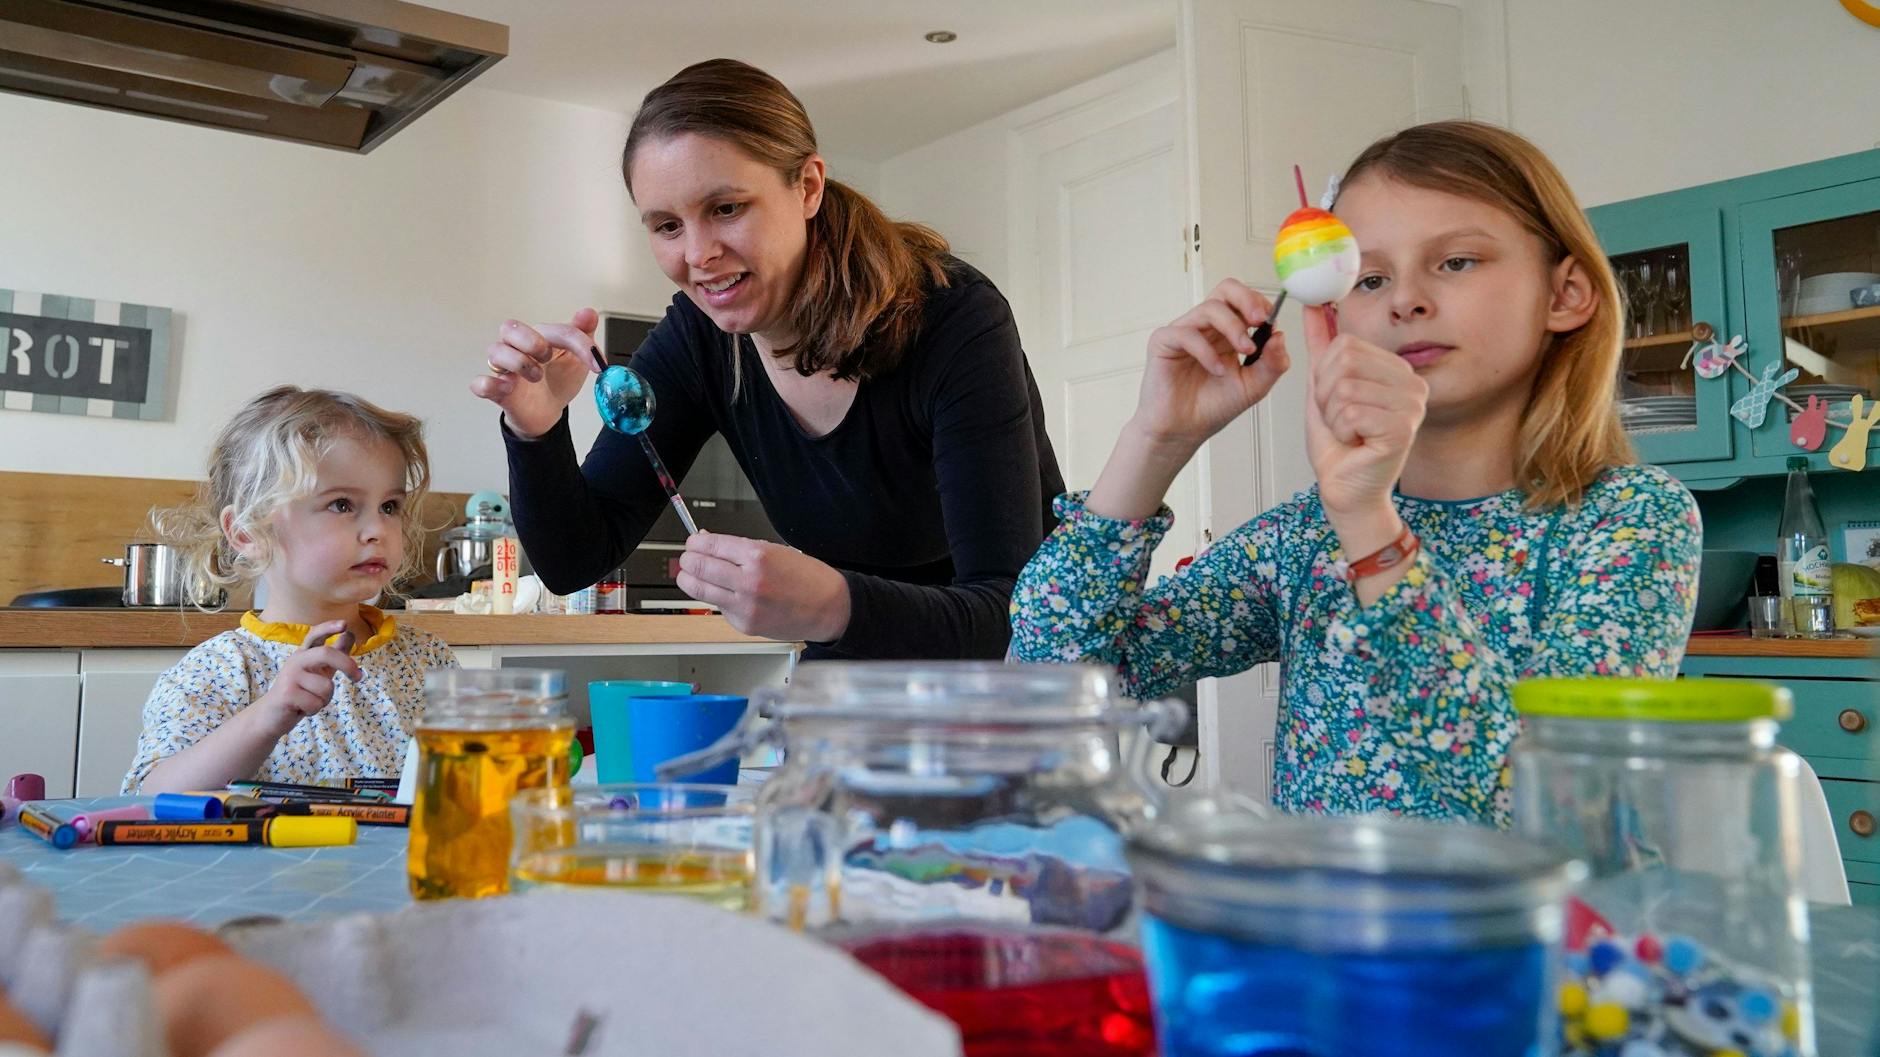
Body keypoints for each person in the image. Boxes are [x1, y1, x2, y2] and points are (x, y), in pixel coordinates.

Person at [1009, 121, 1701, 826]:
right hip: (1324, 932)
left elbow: (1550, 804)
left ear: (1566, 293)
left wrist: (1370, 528)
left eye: (1457, 262)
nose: (1406, 299)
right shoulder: (1307, 536)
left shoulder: (1630, 519)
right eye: (1369, 277)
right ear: (1337, 318)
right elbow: (1050, 688)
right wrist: (1156, 437)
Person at [471, 58, 1062, 660]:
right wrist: (535, 430)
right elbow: (575, 560)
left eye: (726, 208)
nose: (699, 254)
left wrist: (835, 605)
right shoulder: (698, 338)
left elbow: (1012, 613)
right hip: (853, 664)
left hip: (1012, 679)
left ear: (807, 187)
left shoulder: (954, 319)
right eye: (668, 225)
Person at [124, 386, 457, 794]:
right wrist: (269, 715)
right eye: (342, 505)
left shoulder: (428, 660)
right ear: (247, 532)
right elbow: (151, 797)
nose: (377, 531)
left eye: (389, 507)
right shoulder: (218, 671)